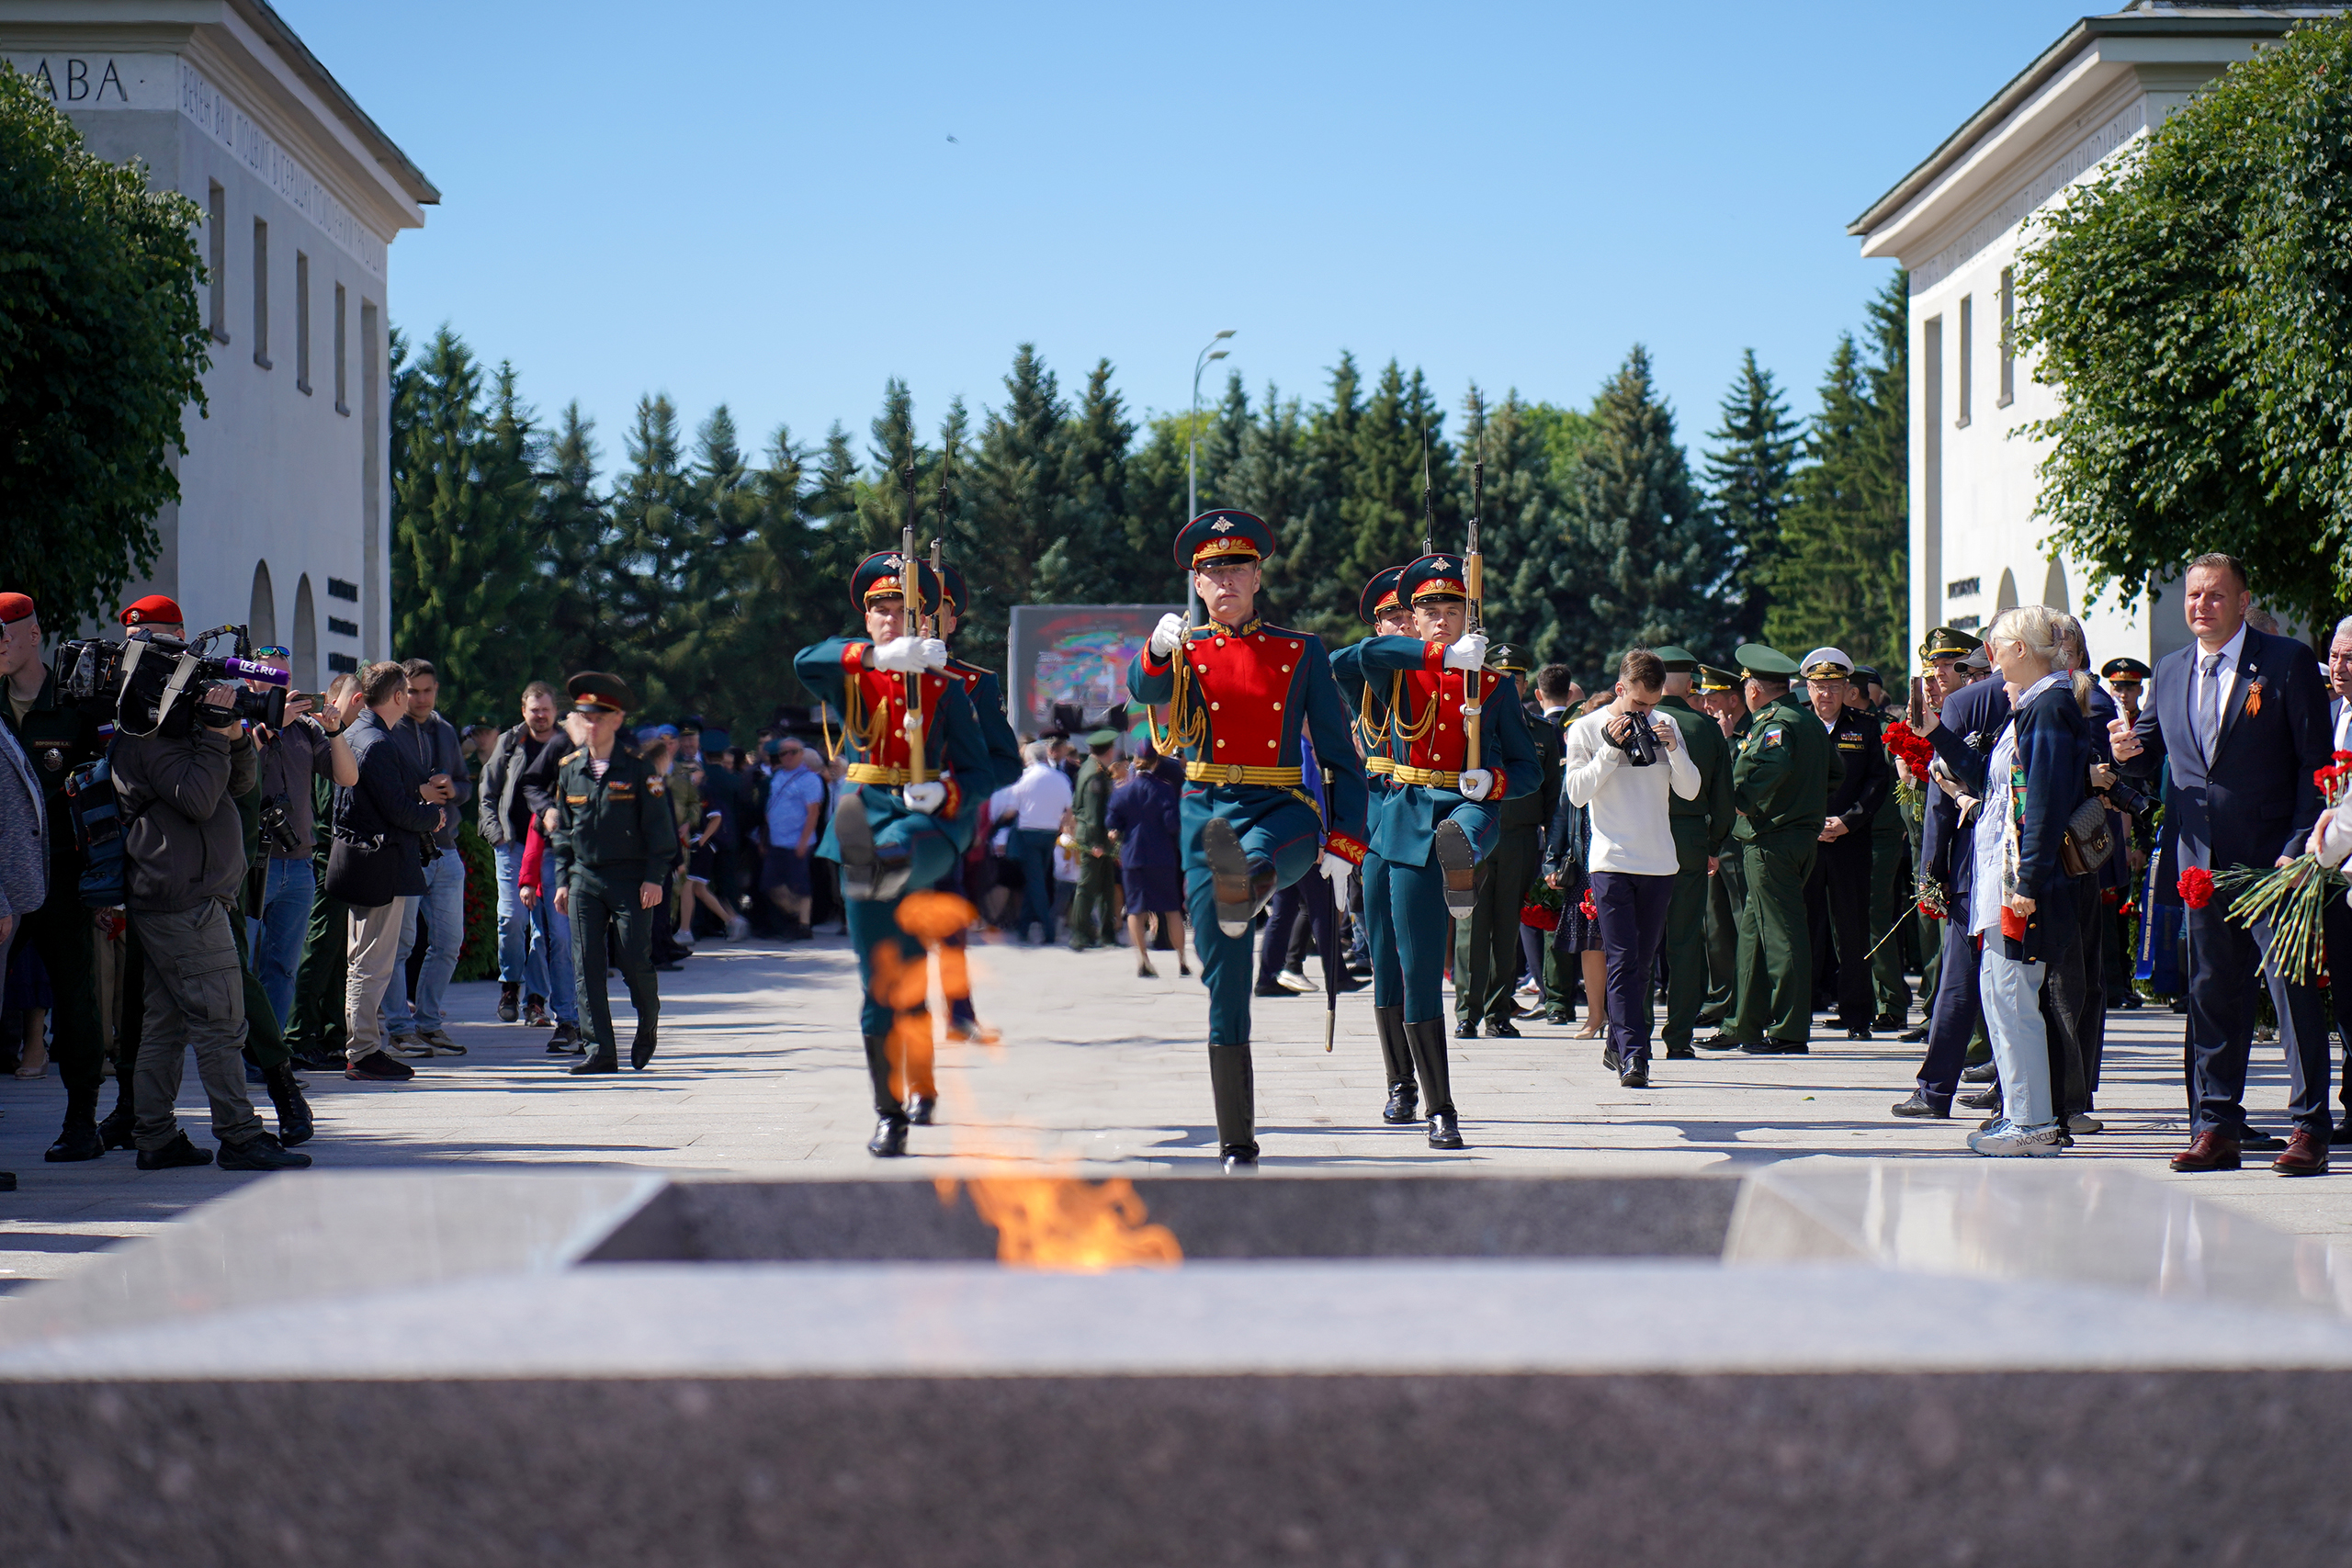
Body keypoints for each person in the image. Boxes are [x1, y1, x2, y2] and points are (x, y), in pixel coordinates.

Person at [1128, 510, 1368, 1168]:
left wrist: (1346, 841)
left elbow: (1341, 756)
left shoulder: (1300, 650)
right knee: (1224, 975)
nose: (1224, 578)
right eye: (1211, 570)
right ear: (1197, 585)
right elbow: (1142, 691)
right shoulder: (1185, 650)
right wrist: (1154, 649)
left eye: (1236, 566)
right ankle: (1238, 1139)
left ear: (1258, 575)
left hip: (1281, 801)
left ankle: (1252, 883)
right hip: (1207, 808)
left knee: (1258, 861)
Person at [2112, 552, 2333, 1175]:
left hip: (2274, 864)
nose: (2200, 605)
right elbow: (2148, 752)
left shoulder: (2285, 662)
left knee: (2292, 996)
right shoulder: (2172, 668)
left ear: (2241, 600)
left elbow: (2315, 769)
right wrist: (2123, 748)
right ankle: (2217, 1125)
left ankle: (2310, 1125)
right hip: (2201, 867)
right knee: (2213, 995)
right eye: (2193, 595)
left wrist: (2297, 848)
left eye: (2214, 595)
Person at [794, 551, 989, 1156]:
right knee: (887, 980)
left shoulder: (953, 683)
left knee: (918, 954)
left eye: (900, 608)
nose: (888, 616)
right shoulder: (854, 668)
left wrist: (948, 792)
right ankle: (894, 1106)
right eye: (879, 607)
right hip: (864, 821)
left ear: (923, 618)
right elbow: (806, 660)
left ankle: (930, 1065)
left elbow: (983, 764)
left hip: (926, 824)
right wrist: (877, 656)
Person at [1347, 552, 1534, 1148]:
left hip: (1465, 804)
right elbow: (1351, 658)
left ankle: (1463, 859)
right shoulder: (1400, 671)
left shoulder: (1494, 686)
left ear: (1467, 615)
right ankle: (1428, 1099)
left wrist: (1494, 780)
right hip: (1403, 822)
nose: (1439, 619)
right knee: (1412, 967)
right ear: (1413, 619)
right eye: (1427, 610)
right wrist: (1436, 657)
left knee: (1473, 822)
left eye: (1452, 609)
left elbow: (1529, 769)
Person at [109, 649, 310, 1171]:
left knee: (166, 1023)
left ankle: (154, 1135)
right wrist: (217, 737)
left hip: (184, 896)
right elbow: (199, 799)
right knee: (222, 1019)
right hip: (185, 900)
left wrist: (235, 736)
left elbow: (241, 785)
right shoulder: (146, 741)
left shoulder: (180, 737)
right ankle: (239, 1135)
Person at [1962, 605, 2096, 1156]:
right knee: (2001, 993)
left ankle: (2032, 1121)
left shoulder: (2051, 705)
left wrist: (2028, 884)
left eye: (1996, 644)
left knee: (2013, 995)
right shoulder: (2038, 704)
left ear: (2021, 650)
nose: (1989, 655)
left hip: (2025, 881)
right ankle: (2022, 1113)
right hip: (2009, 876)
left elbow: (2041, 805)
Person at [0, 591, 110, 1162]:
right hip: (1, 878)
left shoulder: (74, 702)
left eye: (5, 633)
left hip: (64, 873)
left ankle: (81, 1121)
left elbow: (105, 790)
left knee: (75, 994)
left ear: (34, 634)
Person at [1561, 649, 1702, 1086]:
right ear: (1620, 689)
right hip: (1611, 860)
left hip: (1659, 860)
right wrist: (1609, 748)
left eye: (1653, 703)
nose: (1647, 712)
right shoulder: (1585, 728)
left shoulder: (1668, 724)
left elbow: (1691, 791)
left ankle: (1617, 1043)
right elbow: (1577, 794)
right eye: (1639, 703)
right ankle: (1635, 1056)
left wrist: (1674, 748)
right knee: (1621, 958)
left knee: (1642, 964)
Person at [1701, 644, 1837, 1055]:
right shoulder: (1808, 721)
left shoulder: (1776, 723)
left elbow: (1768, 770)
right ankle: (1743, 1023)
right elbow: (1835, 773)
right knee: (1753, 935)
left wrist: (1740, 800)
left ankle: (1790, 1028)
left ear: (1754, 689)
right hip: (1789, 835)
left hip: (1771, 838)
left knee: (1781, 935)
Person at [1891, 635, 2006, 1120]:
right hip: (2028, 864)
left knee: (1958, 982)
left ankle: (1935, 1089)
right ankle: (2017, 1089)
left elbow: (1941, 798)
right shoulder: (2059, 695)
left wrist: (1930, 870)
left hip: (1971, 866)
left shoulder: (1967, 704)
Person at [548, 672, 680, 1075]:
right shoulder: (569, 768)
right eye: (586, 716)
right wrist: (563, 879)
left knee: (633, 959)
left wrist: (655, 878)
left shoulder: (640, 770)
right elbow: (564, 832)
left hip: (631, 880)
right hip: (585, 877)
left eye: (601, 716)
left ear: (617, 720)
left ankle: (648, 1023)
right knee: (586, 963)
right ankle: (600, 1050)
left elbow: (661, 832)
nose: (592, 724)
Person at [1329, 566, 1419, 1115]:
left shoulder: (1448, 672)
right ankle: (1400, 1081)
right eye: (1391, 616)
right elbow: (1342, 660)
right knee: (1387, 958)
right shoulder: (1365, 673)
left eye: (1411, 614)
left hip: (1437, 814)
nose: (1402, 623)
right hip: (1384, 813)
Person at [338, 661, 447, 1083]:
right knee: (373, 963)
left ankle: (361, 1046)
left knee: (362, 960)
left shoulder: (357, 733)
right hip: (381, 863)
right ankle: (363, 1051)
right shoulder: (377, 743)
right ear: (399, 696)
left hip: (366, 861)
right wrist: (430, 816)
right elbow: (397, 809)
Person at [247, 645, 356, 1030]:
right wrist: (270, 726)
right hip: (249, 864)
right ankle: (240, 1056)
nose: (283, 686)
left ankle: (274, 1058)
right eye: (273, 678)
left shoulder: (305, 729)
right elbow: (232, 775)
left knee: (282, 969)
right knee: (241, 967)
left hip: (297, 864)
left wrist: (335, 731)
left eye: (287, 679)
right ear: (250, 680)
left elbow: (346, 776)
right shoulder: (238, 723)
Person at [1647, 647, 1735, 1061]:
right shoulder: (1704, 727)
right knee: (1684, 940)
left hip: (1641, 833)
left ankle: (1631, 1033)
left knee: (1639, 940)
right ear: (1685, 685)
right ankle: (1679, 1035)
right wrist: (1713, 844)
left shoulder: (1634, 720)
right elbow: (1722, 796)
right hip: (1688, 837)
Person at [1798, 649, 1890, 1042]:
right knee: (1804, 928)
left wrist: (1848, 821)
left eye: (1834, 688)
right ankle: (1797, 1012)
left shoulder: (1866, 727)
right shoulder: (1797, 724)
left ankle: (1856, 1014)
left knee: (1852, 929)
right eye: (1819, 688)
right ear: (1808, 689)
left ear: (1847, 690)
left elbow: (1876, 782)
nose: (1826, 696)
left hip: (1849, 841)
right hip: (1804, 840)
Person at [284, 672, 367, 1071]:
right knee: (318, 948)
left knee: (335, 953)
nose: (360, 706)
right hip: (323, 860)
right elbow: (326, 812)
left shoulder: (339, 739)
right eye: (356, 699)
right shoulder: (324, 738)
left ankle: (332, 1034)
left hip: (339, 860)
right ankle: (299, 1035)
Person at [480, 681, 561, 1023]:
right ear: (523, 710)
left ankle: (537, 999)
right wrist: (496, 835)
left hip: (553, 849)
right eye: (533, 710)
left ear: (555, 711)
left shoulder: (566, 744)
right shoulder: (510, 742)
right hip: (513, 845)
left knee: (546, 927)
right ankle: (510, 985)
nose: (540, 716)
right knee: (511, 918)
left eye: (545, 709)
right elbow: (488, 791)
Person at [1107, 742, 1188, 979]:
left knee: (1135, 910)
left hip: (1133, 856)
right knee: (1172, 909)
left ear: (1135, 759)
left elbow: (1112, 824)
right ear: (1156, 762)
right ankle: (1182, 961)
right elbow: (1172, 824)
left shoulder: (1122, 791)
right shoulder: (1165, 790)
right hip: (1162, 855)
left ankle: (1143, 961)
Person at [1001, 739, 1072, 945]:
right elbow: (1069, 810)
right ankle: (1023, 928)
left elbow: (1011, 809)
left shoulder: (1026, 779)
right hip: (1050, 833)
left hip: (1029, 832)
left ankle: (1048, 930)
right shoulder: (1060, 778)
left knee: (1035, 882)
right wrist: (1060, 825)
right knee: (1037, 880)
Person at [761, 734, 824, 939]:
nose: (787, 756)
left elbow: (813, 812)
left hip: (797, 841)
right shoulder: (778, 777)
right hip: (777, 841)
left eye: (793, 752)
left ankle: (803, 925)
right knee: (770, 884)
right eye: (783, 753)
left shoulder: (810, 779)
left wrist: (803, 842)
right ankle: (797, 915)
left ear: (801, 754)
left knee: (800, 885)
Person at [1067, 730, 1119, 950]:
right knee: (1087, 888)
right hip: (1094, 838)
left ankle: (1107, 934)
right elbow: (1093, 812)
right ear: (1109, 750)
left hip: (1100, 838)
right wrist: (1096, 843)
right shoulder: (1095, 775)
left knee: (1107, 887)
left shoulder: (1093, 769)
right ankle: (1079, 935)